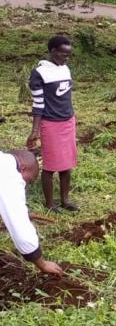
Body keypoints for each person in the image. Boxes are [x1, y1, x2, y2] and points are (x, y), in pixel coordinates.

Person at [26, 35, 79, 213]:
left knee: (67, 163)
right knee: (50, 165)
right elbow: (38, 103)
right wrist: (35, 130)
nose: (67, 58)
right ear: (53, 51)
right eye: (64, 54)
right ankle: (50, 203)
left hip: (68, 121)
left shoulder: (65, 69)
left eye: (69, 55)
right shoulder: (40, 73)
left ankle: (65, 200)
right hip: (51, 124)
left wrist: (71, 117)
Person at [0, 149, 64, 275]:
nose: (26, 185)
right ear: (23, 168)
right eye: (29, 180)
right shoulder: (9, 174)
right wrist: (42, 264)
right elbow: (19, 224)